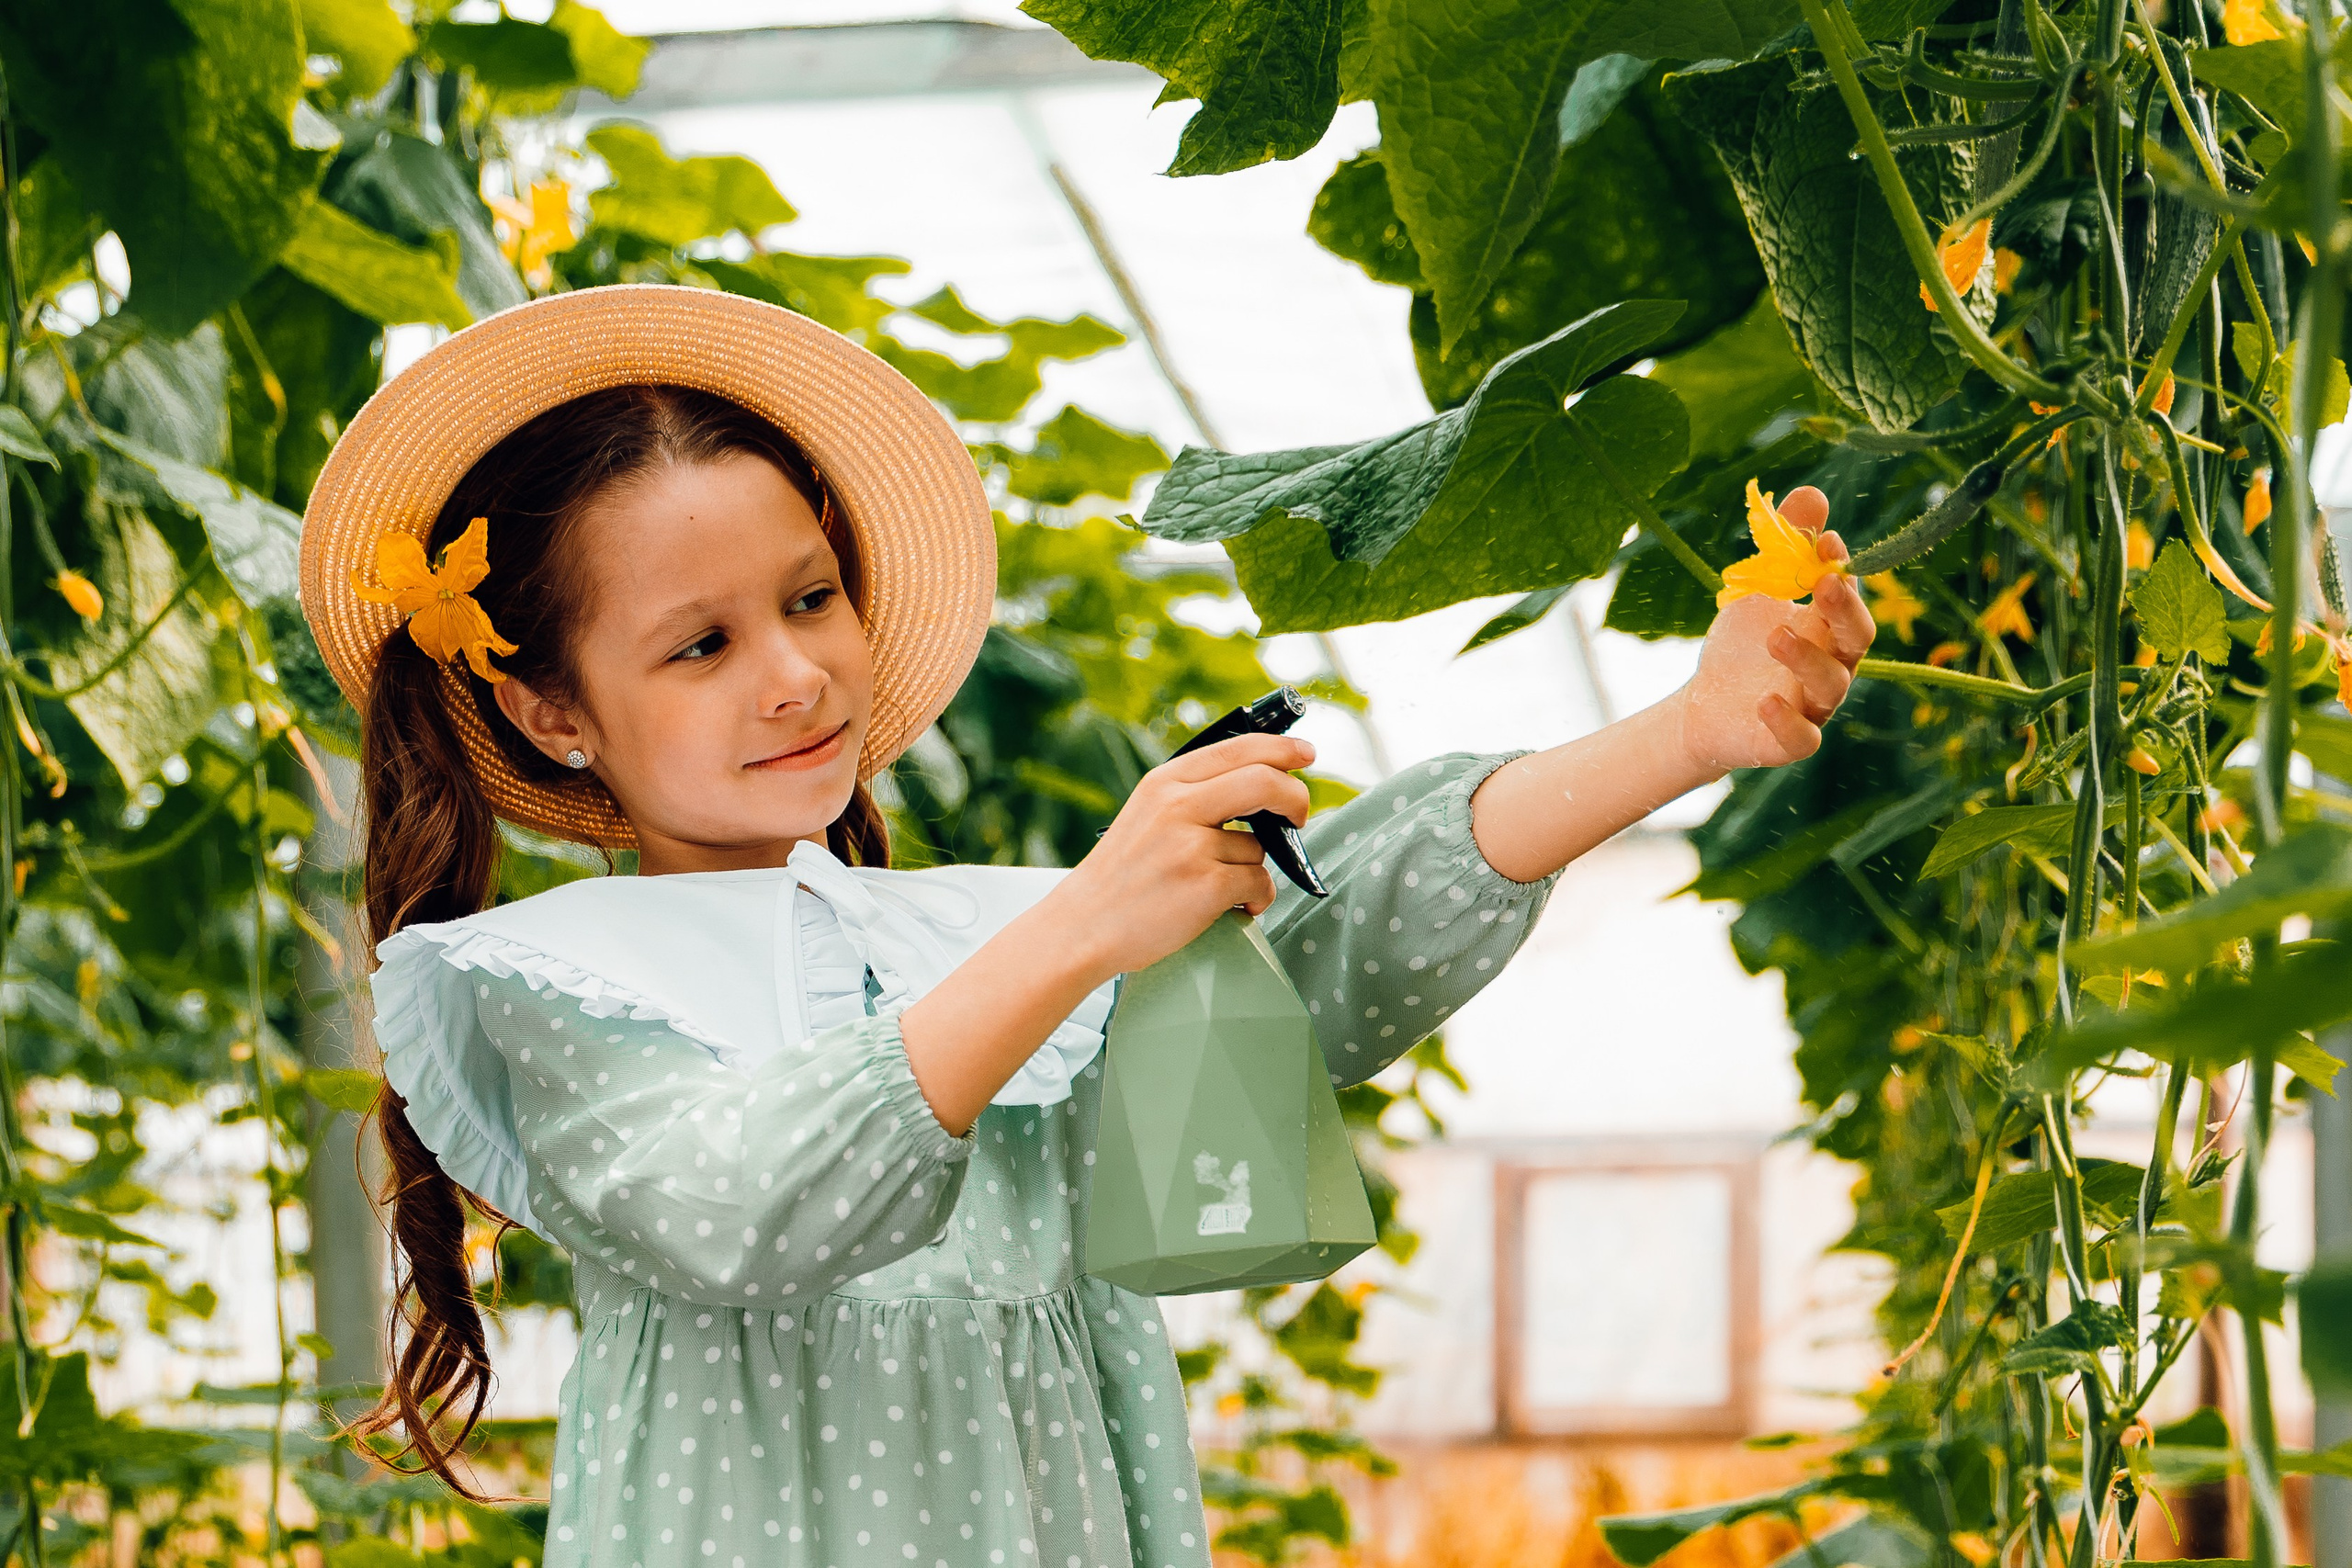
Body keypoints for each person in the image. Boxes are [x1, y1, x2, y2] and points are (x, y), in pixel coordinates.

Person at [304, 284, 1872, 1568]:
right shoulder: (549, 988)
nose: (790, 674)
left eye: (811, 598)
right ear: (550, 708)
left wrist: (1685, 731)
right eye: (699, 643)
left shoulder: (978, 943)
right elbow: (744, 1203)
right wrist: (1082, 928)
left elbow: (1322, 966)